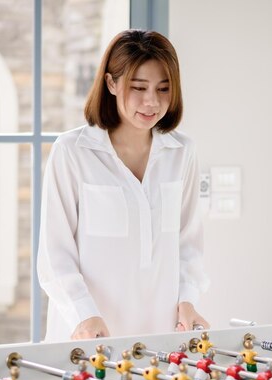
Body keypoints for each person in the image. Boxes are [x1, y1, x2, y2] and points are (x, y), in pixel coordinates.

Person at [37, 29, 209, 341]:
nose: (151, 101)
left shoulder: (182, 153)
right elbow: (55, 254)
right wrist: (84, 315)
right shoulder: (73, 151)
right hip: (89, 337)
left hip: (163, 336)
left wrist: (188, 300)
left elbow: (189, 245)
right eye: (138, 87)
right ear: (111, 83)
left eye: (163, 88)